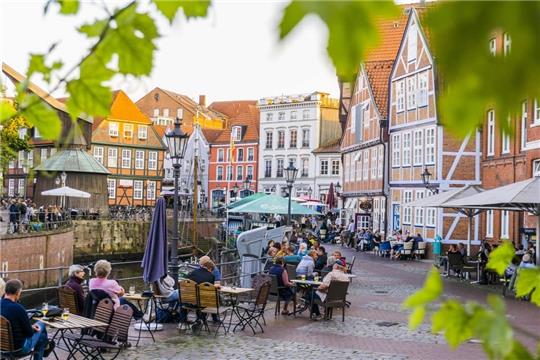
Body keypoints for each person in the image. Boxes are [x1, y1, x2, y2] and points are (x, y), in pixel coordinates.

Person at [0, 279, 55, 359]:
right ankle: (46, 347)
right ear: (18, 292)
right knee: (41, 325)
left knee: (42, 337)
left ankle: (46, 346)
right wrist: (32, 328)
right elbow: (29, 333)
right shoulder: (18, 308)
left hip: (2, 347)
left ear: (5, 291)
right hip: (18, 349)